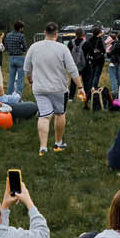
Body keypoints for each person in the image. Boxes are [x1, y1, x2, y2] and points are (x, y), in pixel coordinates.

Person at [23, 23, 86, 155]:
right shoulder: (62, 48)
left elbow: (27, 69)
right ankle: (58, 143)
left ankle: (43, 147)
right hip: (59, 88)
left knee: (44, 116)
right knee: (59, 114)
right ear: (56, 35)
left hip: (39, 88)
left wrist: (31, 81)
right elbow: (72, 70)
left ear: (44, 32)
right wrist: (80, 87)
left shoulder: (34, 47)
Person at [3, 21, 29, 96]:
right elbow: (25, 48)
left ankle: (10, 95)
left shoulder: (8, 35)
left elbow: (6, 47)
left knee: (11, 78)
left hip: (11, 57)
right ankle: (18, 96)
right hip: (20, 57)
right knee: (20, 79)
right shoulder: (21, 36)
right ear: (20, 28)